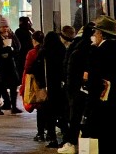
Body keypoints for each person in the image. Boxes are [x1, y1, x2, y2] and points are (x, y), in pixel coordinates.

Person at [82, 14, 116, 151]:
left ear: (101, 34)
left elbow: (94, 79)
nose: (94, 35)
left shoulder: (98, 52)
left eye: (95, 32)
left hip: (101, 99)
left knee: (102, 135)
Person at [31, 30, 68, 147]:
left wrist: (41, 84)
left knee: (49, 113)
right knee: (62, 113)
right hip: (60, 87)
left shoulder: (44, 52)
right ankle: (66, 136)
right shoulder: (62, 50)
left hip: (48, 87)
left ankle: (52, 138)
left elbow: (36, 69)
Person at [59, 25, 91, 154]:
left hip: (75, 88)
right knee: (82, 116)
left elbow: (67, 67)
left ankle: (72, 143)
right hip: (82, 87)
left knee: (75, 116)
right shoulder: (88, 48)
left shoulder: (75, 47)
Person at [0, 17, 21, 114]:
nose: (5, 29)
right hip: (0, 65)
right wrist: (3, 50)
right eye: (3, 27)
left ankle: (14, 106)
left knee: (13, 85)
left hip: (10, 64)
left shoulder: (11, 35)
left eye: (6, 26)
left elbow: (18, 46)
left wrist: (11, 50)